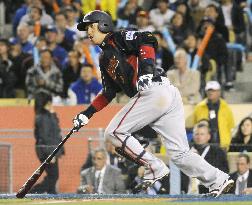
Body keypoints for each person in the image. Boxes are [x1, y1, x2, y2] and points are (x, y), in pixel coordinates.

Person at [73, 10, 234, 197]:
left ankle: (154, 167)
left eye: (91, 26)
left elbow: (148, 38)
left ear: (103, 25)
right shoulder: (104, 58)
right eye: (86, 29)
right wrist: (87, 113)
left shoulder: (118, 37)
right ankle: (219, 180)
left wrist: (147, 70)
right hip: (165, 95)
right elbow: (109, 92)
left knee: (113, 132)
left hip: (154, 90)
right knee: (180, 154)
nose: (88, 32)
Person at [30, 91, 64, 194]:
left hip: (49, 149)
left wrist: (53, 114)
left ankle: (52, 195)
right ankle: (32, 192)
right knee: (53, 176)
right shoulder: (43, 117)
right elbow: (45, 137)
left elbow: (55, 130)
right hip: (47, 150)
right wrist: (51, 153)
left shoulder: (47, 115)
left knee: (52, 176)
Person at [181, 122, 229, 194]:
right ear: (193, 136)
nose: (199, 137)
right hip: (186, 193)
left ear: (208, 136)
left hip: (209, 193)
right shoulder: (186, 152)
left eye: (202, 134)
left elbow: (224, 172)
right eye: (196, 134)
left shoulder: (218, 152)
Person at [192, 81, 235, 150]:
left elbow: (231, 125)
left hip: (222, 144)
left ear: (219, 92)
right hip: (203, 144)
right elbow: (195, 125)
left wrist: (227, 141)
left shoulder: (226, 107)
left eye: (213, 90)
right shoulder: (199, 107)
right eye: (209, 90)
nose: (210, 92)